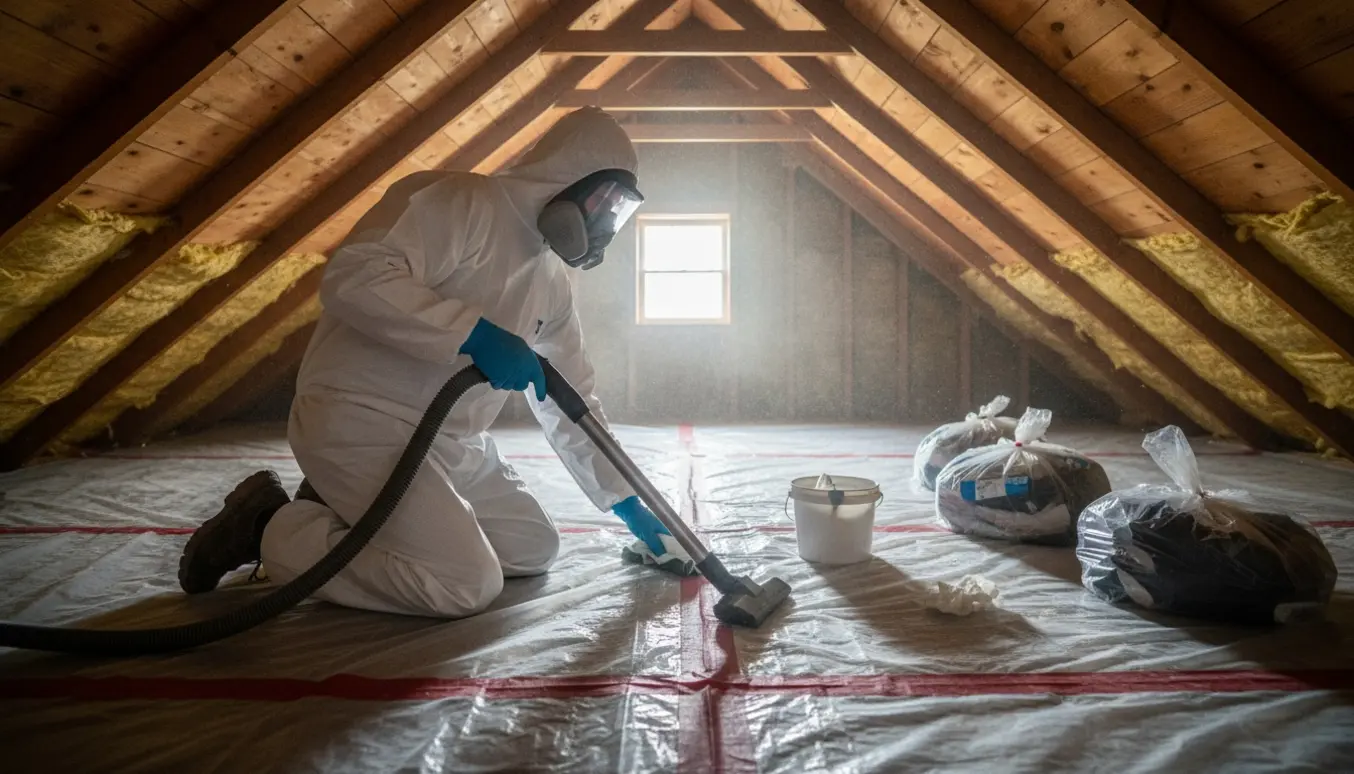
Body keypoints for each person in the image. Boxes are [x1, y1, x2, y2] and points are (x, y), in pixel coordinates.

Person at [177, 107, 686, 618]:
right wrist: (472, 333)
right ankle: (269, 526)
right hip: (360, 422)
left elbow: (571, 397)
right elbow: (355, 275)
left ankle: (349, 513)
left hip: (450, 443)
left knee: (532, 548)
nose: (606, 223)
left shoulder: (552, 282)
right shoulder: (460, 202)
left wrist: (627, 503)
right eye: (605, 202)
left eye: (619, 210)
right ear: (568, 175)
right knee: (464, 584)